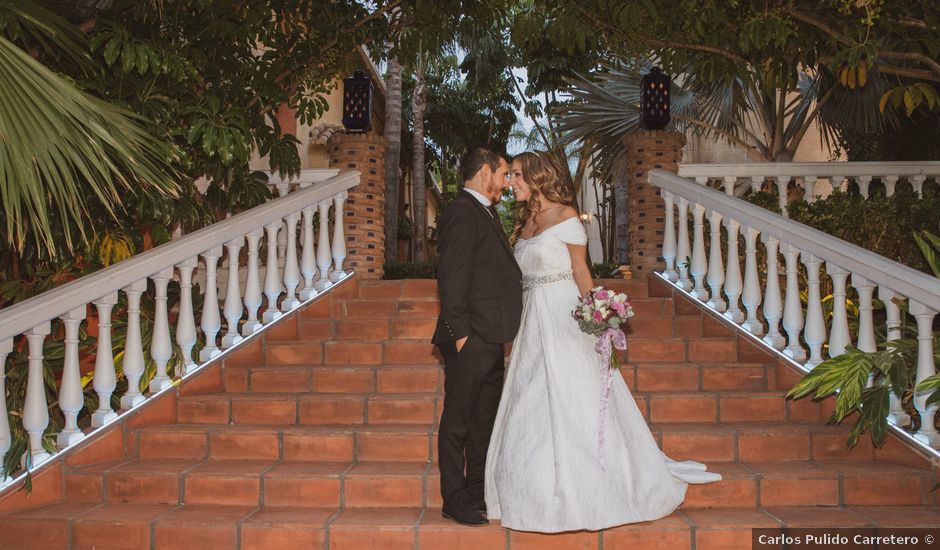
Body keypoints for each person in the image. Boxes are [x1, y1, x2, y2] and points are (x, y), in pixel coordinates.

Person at [484, 151, 721, 533]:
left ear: (536, 176)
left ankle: (595, 483)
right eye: (508, 176)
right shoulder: (525, 220)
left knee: (574, 394)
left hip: (563, 315)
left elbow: (581, 271)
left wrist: (598, 313)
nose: (511, 182)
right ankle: (532, 487)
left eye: (515, 175)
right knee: (530, 397)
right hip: (531, 320)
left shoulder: (566, 218)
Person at [432, 146, 523, 526]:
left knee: (482, 422)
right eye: (504, 173)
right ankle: (453, 498)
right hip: (470, 338)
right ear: (485, 171)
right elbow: (451, 278)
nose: (507, 182)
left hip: (490, 338)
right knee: (458, 423)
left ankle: (475, 493)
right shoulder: (461, 212)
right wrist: (461, 336)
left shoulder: (484, 213)